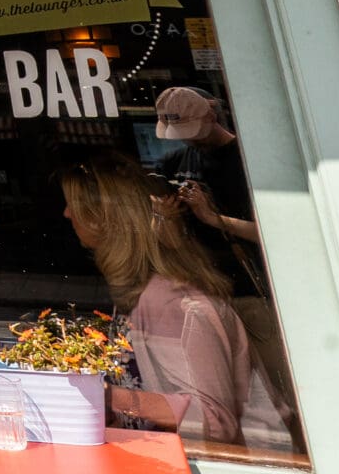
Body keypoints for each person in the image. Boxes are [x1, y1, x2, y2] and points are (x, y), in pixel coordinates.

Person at [61, 154, 250, 447]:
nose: (66, 214)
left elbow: (215, 425)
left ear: (101, 217)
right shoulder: (138, 293)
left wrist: (108, 397)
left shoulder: (175, 303)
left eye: (73, 204)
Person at [153, 86, 301, 439]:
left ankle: (301, 452)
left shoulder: (248, 161)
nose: (190, 142)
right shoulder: (174, 163)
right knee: (217, 397)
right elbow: (168, 244)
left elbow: (283, 235)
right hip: (202, 295)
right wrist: (166, 217)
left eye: (193, 130)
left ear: (211, 115)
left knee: (283, 391)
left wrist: (215, 219)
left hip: (251, 291)